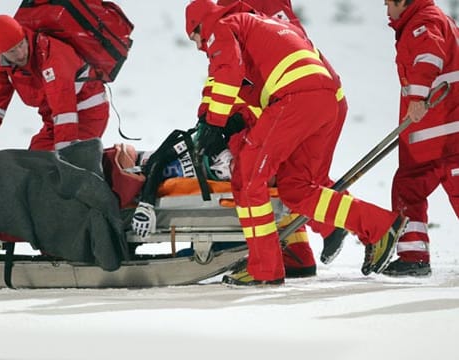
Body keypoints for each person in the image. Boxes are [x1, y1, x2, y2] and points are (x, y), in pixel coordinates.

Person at [185, 0, 408, 286]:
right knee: (296, 187)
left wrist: (213, 125)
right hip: (331, 100)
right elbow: (231, 82)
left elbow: (226, 71)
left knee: (248, 178)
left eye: (194, 37)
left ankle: (264, 270)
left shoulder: (221, 25)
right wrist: (217, 116)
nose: (198, 46)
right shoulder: (267, 22)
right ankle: (378, 228)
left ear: (200, 24)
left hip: (296, 100)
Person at [214, 0, 350, 275]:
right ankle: (298, 251)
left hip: (301, 97)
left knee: (293, 179)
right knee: (287, 177)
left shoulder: (249, 7)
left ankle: (349, 226)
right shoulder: (243, 6)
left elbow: (235, 65)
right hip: (304, 94)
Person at [382, 0, 459, 277]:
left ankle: (414, 257)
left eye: (389, 3)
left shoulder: (423, 22)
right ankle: (413, 256)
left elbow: (429, 57)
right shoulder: (429, 18)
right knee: (407, 188)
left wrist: (417, 97)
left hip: (443, 131)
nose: (387, 10)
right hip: (433, 134)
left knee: (410, 188)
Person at [0, 14, 109, 153]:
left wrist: (65, 154)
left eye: (21, 44)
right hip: (54, 120)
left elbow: (64, 108)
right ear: (0, 52)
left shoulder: (51, 54)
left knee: (64, 165)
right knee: (33, 162)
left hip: (87, 113)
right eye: (12, 51)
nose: (20, 54)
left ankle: (114, 169)